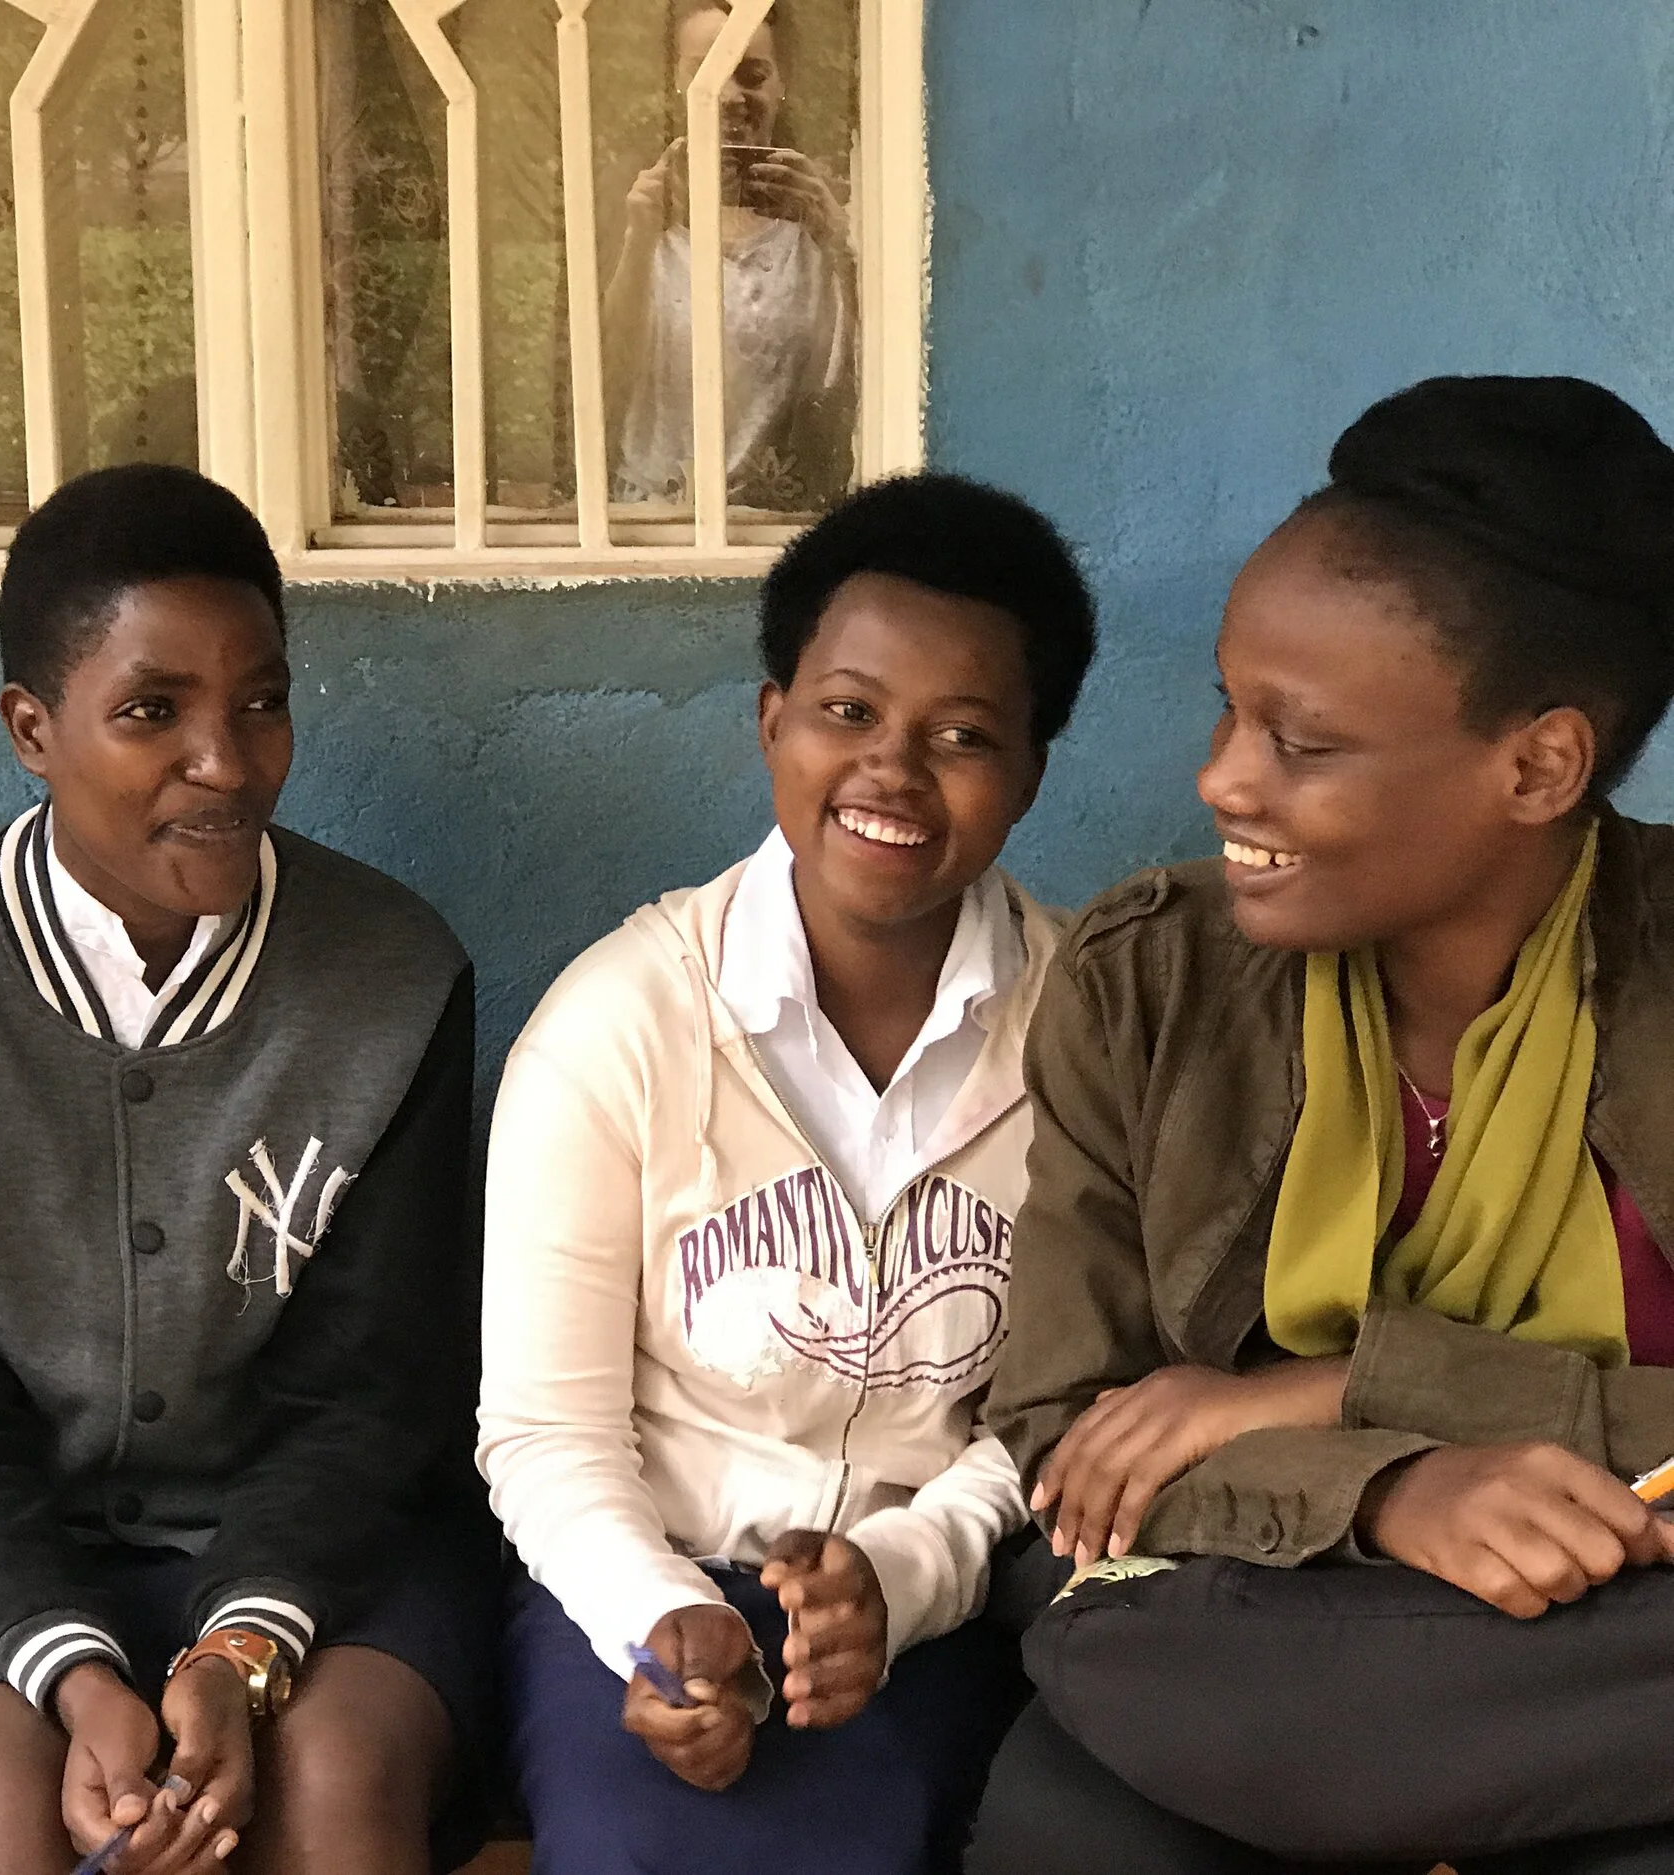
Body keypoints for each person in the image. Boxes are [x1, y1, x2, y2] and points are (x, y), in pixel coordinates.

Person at [969, 375, 1674, 1874]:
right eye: (1229, 706)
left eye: (1304, 742)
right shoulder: (1148, 979)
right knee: (1081, 1769)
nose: (1222, 776)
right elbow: (1065, 1439)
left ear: (1537, 766)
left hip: (1609, 1616)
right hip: (1266, 1603)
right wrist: (1394, 1489)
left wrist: (1341, 1388)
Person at [0, 464, 494, 1875]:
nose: (224, 761)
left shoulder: (395, 974)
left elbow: (375, 1392)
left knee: (332, 1786)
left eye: (261, 703)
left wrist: (242, 1646)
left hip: (331, 1556)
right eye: (151, 711)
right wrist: (74, 1672)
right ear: (32, 729)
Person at [480, 472, 1098, 1874]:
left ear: (1031, 771)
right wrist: (658, 1617)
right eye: (848, 712)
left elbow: (1068, 1408)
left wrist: (901, 1576)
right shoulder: (620, 1024)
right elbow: (544, 1430)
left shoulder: (1087, 1031)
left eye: (964, 735)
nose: (893, 770)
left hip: (943, 1609)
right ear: (773, 721)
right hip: (639, 1591)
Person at [606, 2, 855, 511]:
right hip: (647, 521)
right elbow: (599, 383)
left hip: (771, 520)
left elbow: (856, 388)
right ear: (673, 87)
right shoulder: (633, 217)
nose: (730, 97)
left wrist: (837, 242)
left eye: (753, 76)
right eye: (705, 76)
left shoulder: (816, 232)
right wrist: (639, 241)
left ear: (782, 86)